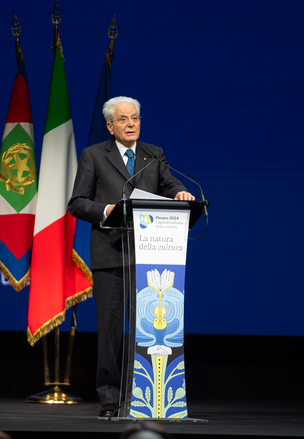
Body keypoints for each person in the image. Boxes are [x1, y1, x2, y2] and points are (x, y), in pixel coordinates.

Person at [68, 96, 194, 418]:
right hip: (110, 255)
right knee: (110, 333)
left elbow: (170, 184)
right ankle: (110, 400)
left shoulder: (154, 154)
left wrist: (180, 192)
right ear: (110, 126)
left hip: (150, 257)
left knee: (147, 332)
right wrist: (106, 210)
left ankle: (143, 398)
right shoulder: (94, 155)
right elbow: (77, 202)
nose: (131, 124)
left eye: (135, 119)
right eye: (123, 120)